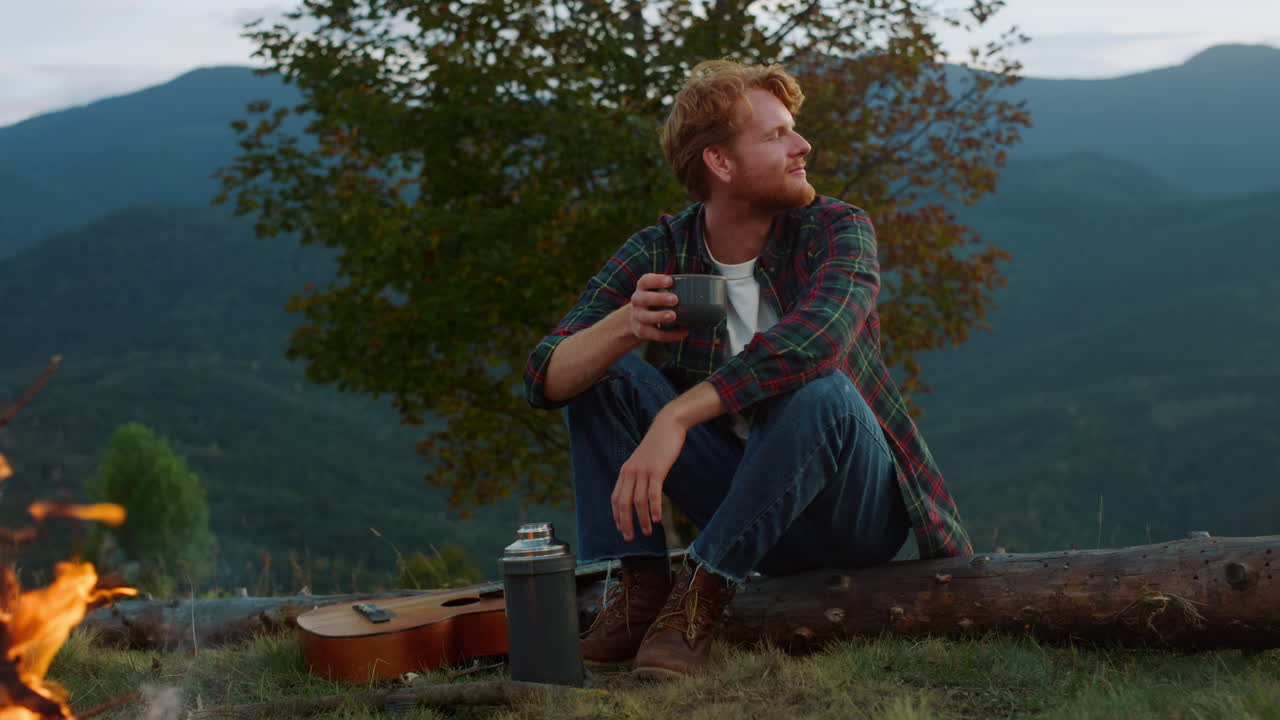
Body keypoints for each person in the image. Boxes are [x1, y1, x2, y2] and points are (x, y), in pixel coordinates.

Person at [522, 59, 972, 681]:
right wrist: (626, 325)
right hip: (745, 505)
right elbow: (545, 375)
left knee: (819, 391)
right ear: (720, 163)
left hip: (852, 513)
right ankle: (642, 589)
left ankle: (700, 598)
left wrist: (676, 416)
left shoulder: (838, 229)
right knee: (605, 373)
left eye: (793, 130)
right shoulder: (662, 249)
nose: (802, 145)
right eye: (776, 135)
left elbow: (816, 343)